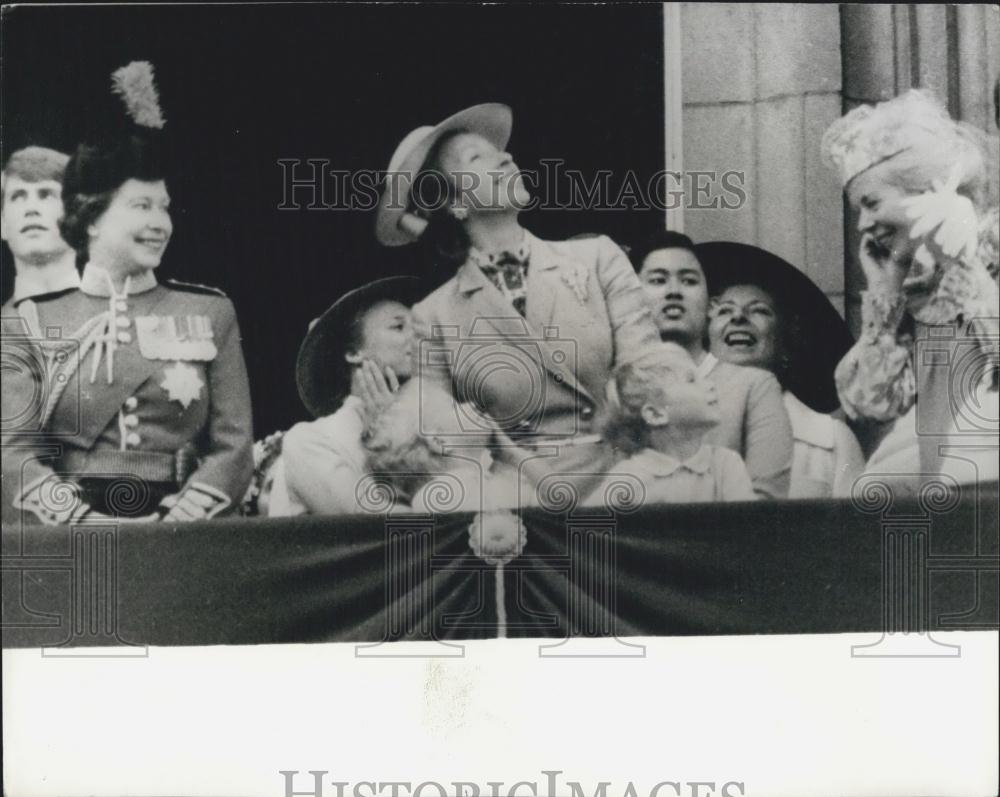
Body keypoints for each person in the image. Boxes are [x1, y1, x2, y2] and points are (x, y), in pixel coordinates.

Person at [1, 62, 253, 524]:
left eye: (165, 207)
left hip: (181, 529)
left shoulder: (210, 312)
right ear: (92, 219)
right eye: (142, 206)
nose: (161, 223)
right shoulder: (26, 322)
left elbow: (233, 448)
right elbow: (12, 455)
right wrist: (81, 521)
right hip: (71, 532)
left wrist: (177, 519)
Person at [375, 103, 661, 504]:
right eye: (477, 157)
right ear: (454, 204)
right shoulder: (433, 316)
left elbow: (649, 376)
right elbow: (442, 445)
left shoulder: (597, 258)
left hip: (626, 484)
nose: (506, 156)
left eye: (500, 152)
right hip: (518, 506)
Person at [822, 89, 999, 486]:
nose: (863, 225)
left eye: (872, 202)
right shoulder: (923, 285)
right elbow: (870, 402)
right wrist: (885, 287)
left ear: (924, 190)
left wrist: (963, 262)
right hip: (945, 486)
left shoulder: (989, 249)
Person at [629, 231, 794, 499]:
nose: (674, 292)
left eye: (689, 281)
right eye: (658, 280)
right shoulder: (615, 385)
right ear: (633, 297)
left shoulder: (752, 387)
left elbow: (766, 505)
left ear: (710, 306)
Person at [698, 242, 865, 499]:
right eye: (724, 310)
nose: (738, 317)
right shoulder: (678, 430)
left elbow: (857, 534)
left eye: (759, 310)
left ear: (785, 344)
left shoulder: (832, 440)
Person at [272, 276, 424, 516]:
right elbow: (375, 524)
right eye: (398, 327)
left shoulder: (430, 428)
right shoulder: (310, 441)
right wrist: (394, 439)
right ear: (353, 352)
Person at [587, 343, 755, 508]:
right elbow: (584, 527)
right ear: (656, 414)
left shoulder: (725, 465)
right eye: (691, 380)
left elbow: (746, 525)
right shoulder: (627, 478)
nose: (710, 385)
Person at [1, 146, 79, 306]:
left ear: (76, 218)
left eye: (47, 195)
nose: (31, 209)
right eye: (17, 197)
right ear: (2, 224)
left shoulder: (117, 317)